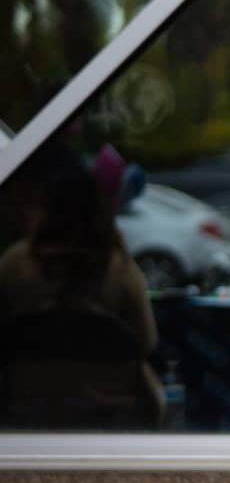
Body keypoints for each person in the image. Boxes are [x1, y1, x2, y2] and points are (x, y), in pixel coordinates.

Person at [0, 150, 162, 427]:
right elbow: (147, 341)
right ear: (99, 210)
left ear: (47, 208)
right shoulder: (120, 268)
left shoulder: (14, 264)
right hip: (107, 413)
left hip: (25, 412)